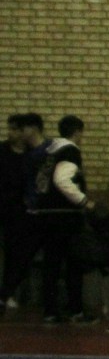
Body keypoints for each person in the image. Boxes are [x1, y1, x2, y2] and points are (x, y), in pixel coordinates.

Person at [29, 113, 96, 324]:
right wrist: (84, 201)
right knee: (74, 264)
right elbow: (62, 180)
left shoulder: (49, 151)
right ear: (77, 132)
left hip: (46, 214)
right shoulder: (70, 150)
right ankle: (75, 309)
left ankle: (50, 310)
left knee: (51, 264)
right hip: (65, 216)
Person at [1, 114, 43, 311]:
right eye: (9, 129)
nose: (10, 133)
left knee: (20, 253)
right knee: (10, 251)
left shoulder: (31, 153)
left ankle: (8, 291)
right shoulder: (2, 150)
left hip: (23, 209)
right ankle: (7, 291)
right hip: (5, 206)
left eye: (14, 129)